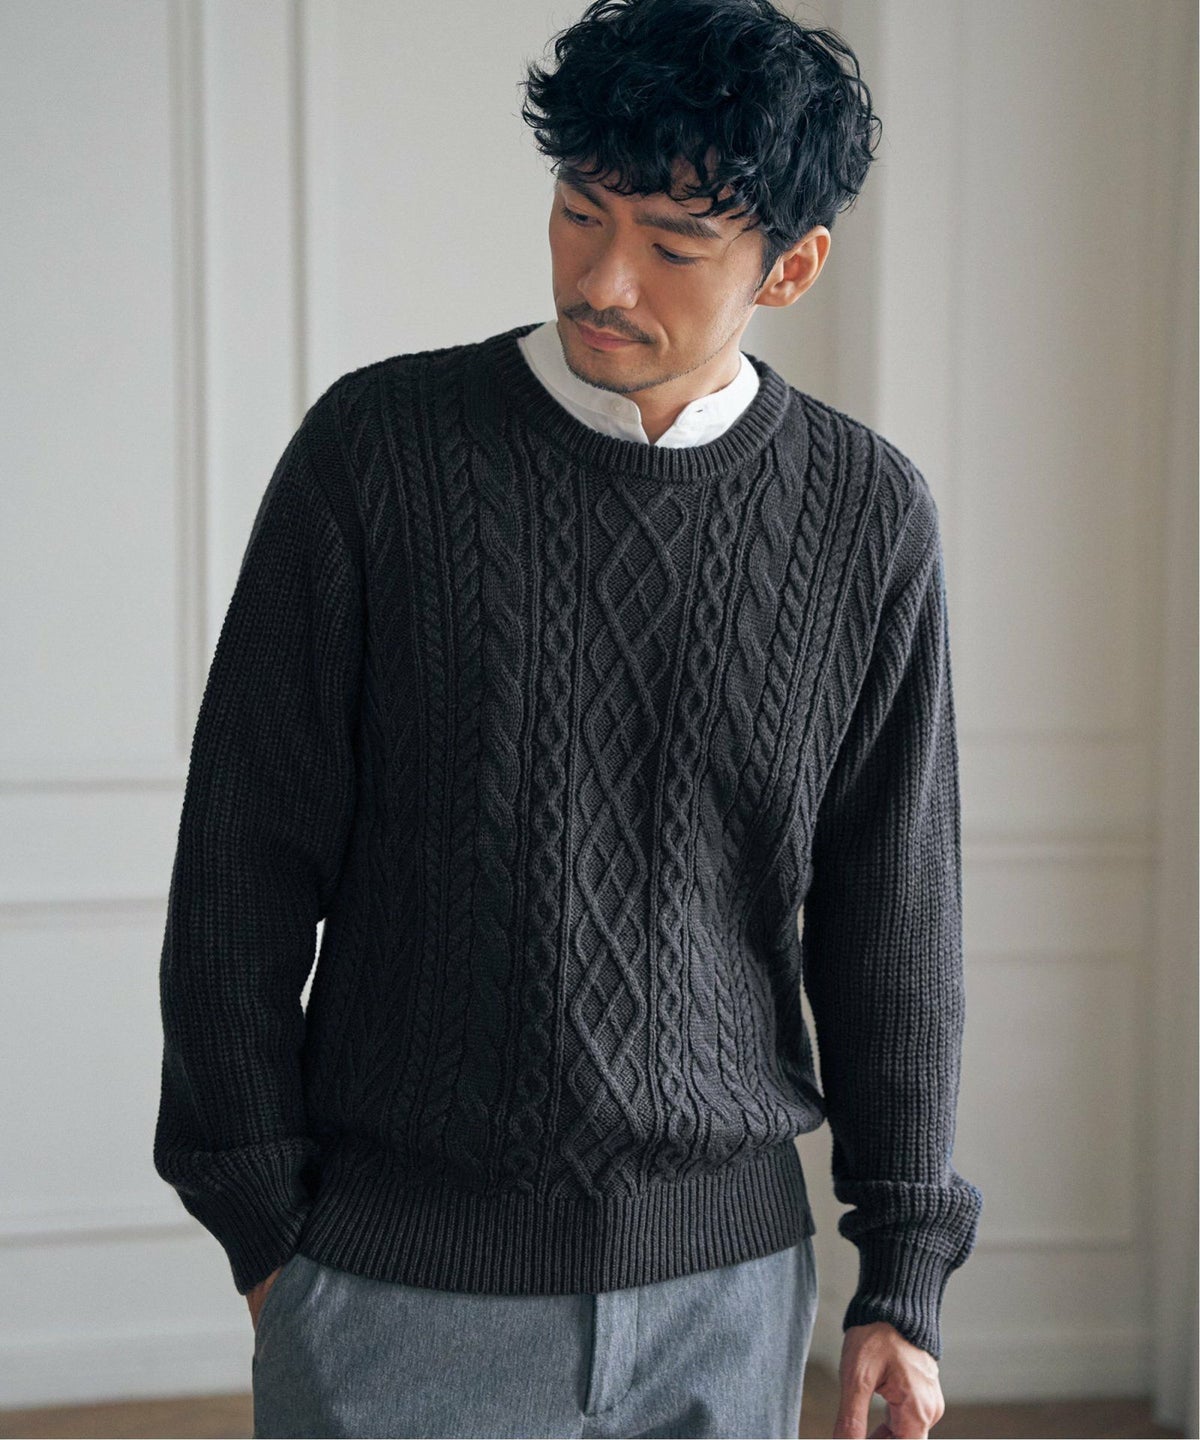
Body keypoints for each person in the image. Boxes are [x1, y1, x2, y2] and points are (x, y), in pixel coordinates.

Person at [152, 1, 983, 1436]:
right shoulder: (379, 455)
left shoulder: (866, 517)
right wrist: (266, 1232)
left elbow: (892, 918)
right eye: (579, 212)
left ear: (791, 267)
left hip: (728, 1298)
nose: (602, 279)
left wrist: (902, 1277)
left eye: (673, 244)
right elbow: (241, 867)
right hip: (393, 1288)